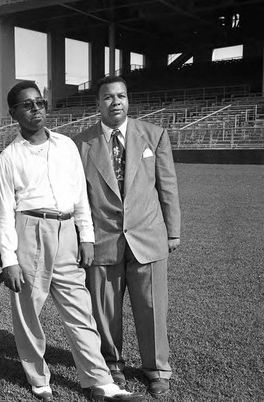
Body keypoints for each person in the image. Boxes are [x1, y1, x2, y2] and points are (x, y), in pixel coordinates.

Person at [0, 81, 144, 402]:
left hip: (67, 235)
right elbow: (5, 211)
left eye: (40, 103)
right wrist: (9, 259)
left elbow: (79, 196)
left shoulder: (65, 145)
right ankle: (38, 378)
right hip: (29, 230)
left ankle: (100, 382)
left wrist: (86, 237)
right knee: (28, 312)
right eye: (27, 105)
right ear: (13, 113)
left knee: (80, 310)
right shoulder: (8, 157)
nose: (36, 109)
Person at [73, 76, 181, 397]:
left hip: (148, 237)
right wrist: (82, 239)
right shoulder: (80, 144)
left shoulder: (154, 136)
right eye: (108, 97)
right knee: (105, 312)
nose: (115, 102)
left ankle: (157, 369)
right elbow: (77, 197)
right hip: (102, 241)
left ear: (128, 100)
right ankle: (111, 365)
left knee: (151, 308)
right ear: (98, 104)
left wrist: (173, 231)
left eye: (121, 96)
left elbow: (168, 186)